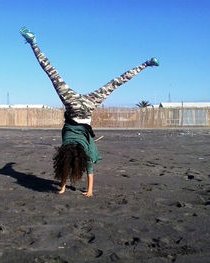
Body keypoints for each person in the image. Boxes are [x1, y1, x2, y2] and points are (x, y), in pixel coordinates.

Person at [20, 27, 159, 197]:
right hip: (73, 106)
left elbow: (80, 165)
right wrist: (87, 191)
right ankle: (147, 63)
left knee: (114, 83)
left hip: (87, 107)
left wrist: (79, 190)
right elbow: (68, 164)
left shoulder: (86, 147)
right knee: (52, 72)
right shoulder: (67, 144)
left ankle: (147, 63)